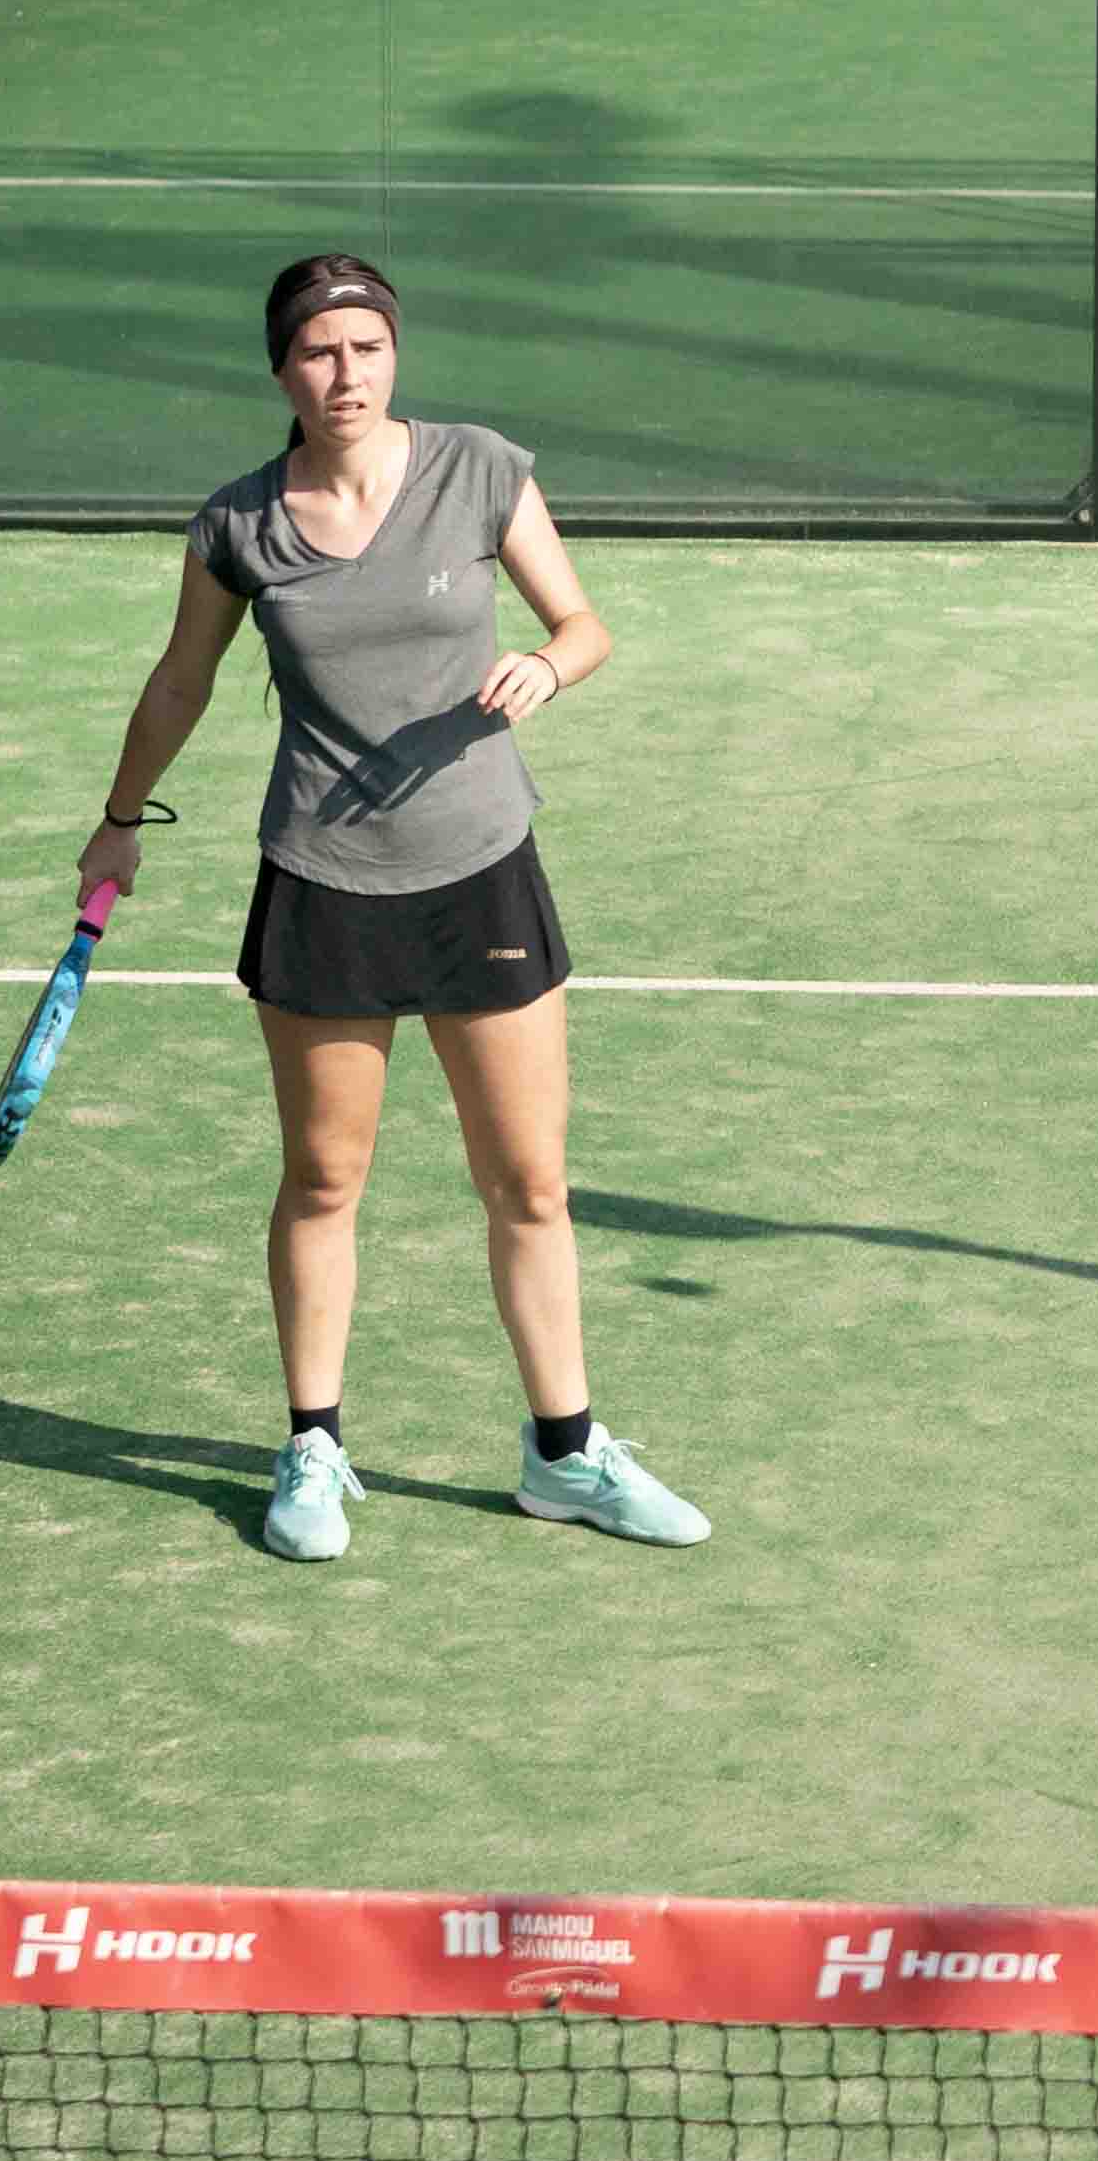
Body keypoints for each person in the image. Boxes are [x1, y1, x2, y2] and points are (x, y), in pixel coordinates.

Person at [80, 254, 708, 1564]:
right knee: (324, 1179)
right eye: (319, 353)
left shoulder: (479, 469)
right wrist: (122, 818)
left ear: (394, 356)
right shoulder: (238, 524)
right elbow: (182, 681)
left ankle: (567, 1455)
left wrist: (547, 666)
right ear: (281, 372)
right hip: (324, 882)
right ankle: (313, 1447)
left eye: (367, 348)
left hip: (482, 867)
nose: (346, 374)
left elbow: (582, 622)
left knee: (528, 1181)